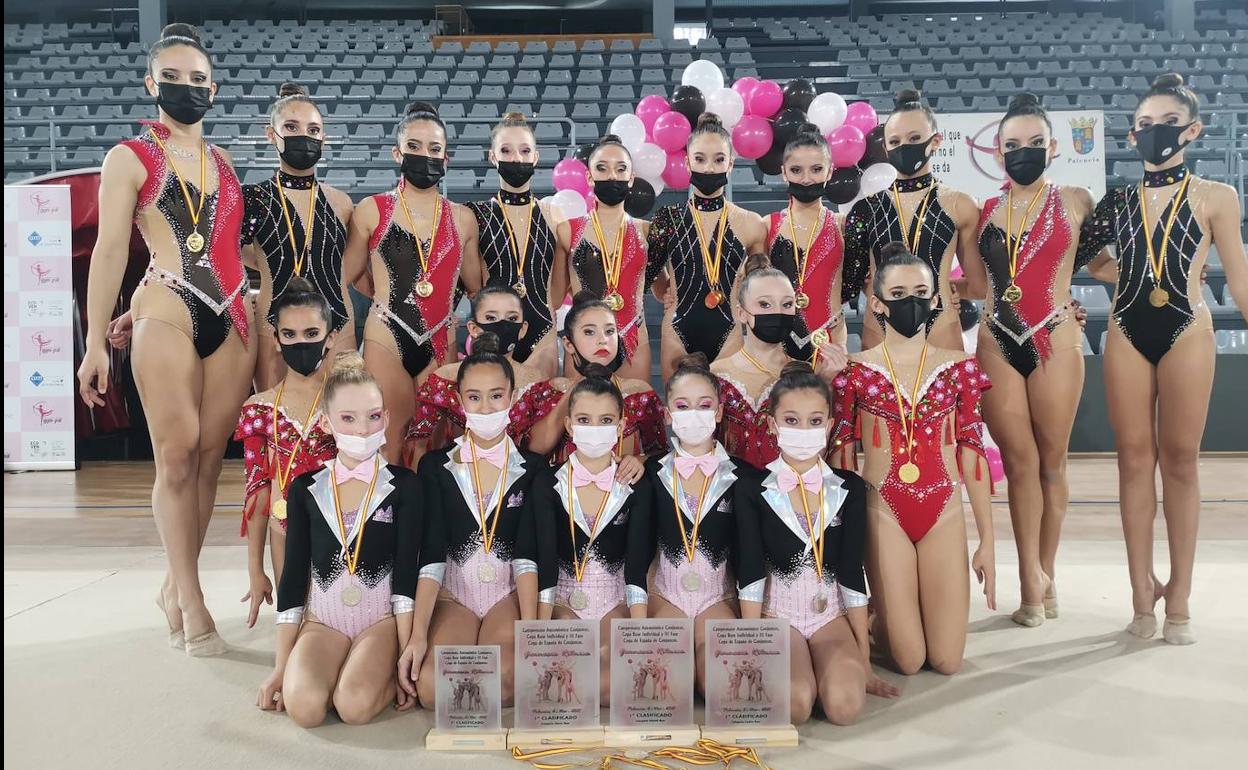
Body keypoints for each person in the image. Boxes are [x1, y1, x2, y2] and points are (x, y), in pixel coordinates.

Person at [77, 23, 253, 656]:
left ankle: (173, 585)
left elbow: (235, 248)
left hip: (232, 317)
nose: (187, 88)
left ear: (214, 88)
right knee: (176, 455)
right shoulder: (130, 155)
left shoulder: (225, 163)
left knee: (210, 459)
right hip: (167, 304)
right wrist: (97, 339)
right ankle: (194, 597)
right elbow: (110, 248)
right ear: (152, 84)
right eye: (173, 78)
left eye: (198, 79)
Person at [1076, 73, 1248, 644]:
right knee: (1132, 460)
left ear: (1192, 130)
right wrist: (1121, 274)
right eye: (1145, 125)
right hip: (1126, 326)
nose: (1156, 133)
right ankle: (1139, 595)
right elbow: (1081, 257)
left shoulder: (1217, 197)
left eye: (1168, 124)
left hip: (1186, 327)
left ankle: (1181, 597)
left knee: (1180, 460)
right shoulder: (1117, 199)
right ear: (1132, 135)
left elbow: (1241, 282)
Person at [958, 93, 1105, 626]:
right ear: (998, 153)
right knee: (1018, 464)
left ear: (1053, 147)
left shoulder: (1077, 199)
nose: (1024, 152)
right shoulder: (984, 211)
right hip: (998, 339)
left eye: (1034, 144)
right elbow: (973, 284)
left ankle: (1047, 573)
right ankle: (1027, 584)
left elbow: (1110, 266)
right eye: (1014, 145)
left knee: (1051, 463)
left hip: (1056, 336)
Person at [831, 244, 996, 674]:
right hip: (883, 510)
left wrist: (988, 541)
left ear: (937, 299)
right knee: (909, 660)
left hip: (943, 508)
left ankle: (899, 614)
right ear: (878, 304)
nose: (912, 302)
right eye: (899, 293)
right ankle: (878, 623)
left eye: (921, 292)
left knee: (946, 661)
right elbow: (843, 457)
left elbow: (972, 449)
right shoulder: (854, 371)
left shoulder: (960, 368)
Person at [256, 352, 425, 725]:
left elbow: (405, 578)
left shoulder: (405, 486)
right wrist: (280, 666)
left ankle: (363, 676)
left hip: (379, 620)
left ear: (387, 417)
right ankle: (333, 671)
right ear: (326, 423)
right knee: (304, 709)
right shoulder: (305, 489)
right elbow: (294, 575)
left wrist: (401, 660)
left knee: (353, 707)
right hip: (324, 620)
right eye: (348, 419)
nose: (363, 430)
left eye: (373, 417)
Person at [735, 362, 898, 725]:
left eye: (814, 421)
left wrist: (864, 660)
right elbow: (749, 570)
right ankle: (804, 675)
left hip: (830, 615)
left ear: (828, 425)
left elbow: (852, 572)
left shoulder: (849, 488)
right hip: (778, 616)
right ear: (774, 425)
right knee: (794, 705)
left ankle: (832, 672)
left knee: (844, 708)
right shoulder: (751, 488)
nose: (803, 430)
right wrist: (753, 646)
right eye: (791, 421)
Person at [408, 333, 549, 707]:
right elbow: (432, 553)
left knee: (507, 677)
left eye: (496, 396)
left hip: (506, 594)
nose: (486, 407)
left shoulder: (533, 469)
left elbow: (528, 553)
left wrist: (531, 630)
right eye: (474, 397)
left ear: (512, 397)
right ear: (459, 401)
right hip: (455, 594)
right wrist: (418, 635)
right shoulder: (436, 467)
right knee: (431, 689)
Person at [341, 100, 481, 463]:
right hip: (387, 333)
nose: (425, 155)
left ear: (446, 158)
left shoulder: (463, 219)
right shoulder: (372, 209)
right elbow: (348, 273)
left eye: (435, 149)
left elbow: (475, 285)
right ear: (397, 153)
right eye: (415, 147)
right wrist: (379, 296)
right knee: (389, 437)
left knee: (434, 442)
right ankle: (390, 517)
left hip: (440, 335)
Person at [626, 354, 759, 695]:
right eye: (683, 406)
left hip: (717, 599)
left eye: (704, 405)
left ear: (718, 412)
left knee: (723, 689)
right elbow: (637, 555)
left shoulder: (745, 478)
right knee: (662, 690)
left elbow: (750, 558)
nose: (694, 415)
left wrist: (751, 634)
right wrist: (640, 633)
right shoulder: (650, 474)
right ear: (668, 415)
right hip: (665, 597)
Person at [528, 372, 649, 702]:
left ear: (621, 426)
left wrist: (639, 640)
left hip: (614, 604)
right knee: (557, 678)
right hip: (563, 604)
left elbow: (637, 569)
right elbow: (545, 562)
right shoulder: (546, 483)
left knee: (621, 680)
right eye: (584, 419)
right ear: (568, 425)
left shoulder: (637, 484)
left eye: (606, 420)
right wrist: (539, 634)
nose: (595, 428)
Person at [843, 88, 982, 351]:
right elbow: (852, 282)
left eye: (915, 137)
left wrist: (945, 288)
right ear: (884, 148)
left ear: (936, 140)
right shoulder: (865, 209)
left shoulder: (961, 205)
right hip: (880, 336)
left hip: (940, 331)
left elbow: (979, 286)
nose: (905, 146)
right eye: (895, 142)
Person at [235, 278, 338, 627]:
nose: (301, 343)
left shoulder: (348, 401)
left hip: (343, 528)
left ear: (331, 336)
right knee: (297, 627)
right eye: (290, 335)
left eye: (312, 334)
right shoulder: (258, 409)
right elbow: (257, 492)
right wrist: (254, 571)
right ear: (277, 340)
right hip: (286, 529)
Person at [241, 82, 355, 391]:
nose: (303, 135)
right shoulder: (253, 197)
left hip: (337, 321)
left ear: (323, 138)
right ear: (271, 134)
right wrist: (267, 262)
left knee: (339, 422)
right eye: (291, 127)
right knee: (276, 421)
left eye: (313, 129)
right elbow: (227, 256)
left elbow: (348, 264)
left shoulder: (341, 202)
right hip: (273, 324)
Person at [647, 113, 768, 378]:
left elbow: (760, 284)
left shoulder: (751, 223)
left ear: (731, 164)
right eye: (700, 159)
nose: (710, 169)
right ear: (688, 163)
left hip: (729, 330)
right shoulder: (667, 218)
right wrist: (664, 292)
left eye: (719, 160)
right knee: (681, 415)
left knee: (727, 414)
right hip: (677, 329)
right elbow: (651, 272)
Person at [711, 256, 847, 469]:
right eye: (765, 304)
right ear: (741, 313)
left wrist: (824, 384)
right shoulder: (715, 375)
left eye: (787, 304)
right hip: (729, 492)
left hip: (787, 493)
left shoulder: (806, 376)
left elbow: (817, 454)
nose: (777, 312)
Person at [405, 283, 561, 467]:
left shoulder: (537, 380)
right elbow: (419, 443)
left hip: (517, 474)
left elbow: (543, 446)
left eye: (512, 318)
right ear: (473, 328)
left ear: (523, 329)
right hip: (461, 473)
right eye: (491, 317)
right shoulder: (447, 378)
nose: (502, 325)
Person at [467, 113, 562, 377]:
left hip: (541, 327)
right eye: (506, 151)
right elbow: (473, 285)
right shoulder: (475, 215)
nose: (516, 159)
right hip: (491, 329)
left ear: (536, 156)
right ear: (492, 156)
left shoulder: (554, 214)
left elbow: (557, 287)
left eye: (524, 150)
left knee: (541, 412)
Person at [526, 292, 667, 469]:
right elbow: (534, 450)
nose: (602, 340)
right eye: (589, 332)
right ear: (568, 344)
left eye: (609, 331)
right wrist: (576, 388)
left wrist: (640, 460)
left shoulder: (639, 393)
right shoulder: (549, 392)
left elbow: (660, 454)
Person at [555, 134, 652, 381]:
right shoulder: (568, 230)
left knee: (633, 414)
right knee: (581, 415)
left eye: (620, 170)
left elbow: (662, 290)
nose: (612, 176)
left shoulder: (646, 230)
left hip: (633, 338)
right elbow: (554, 297)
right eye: (602, 168)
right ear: (589, 177)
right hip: (583, 342)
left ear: (631, 179)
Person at [765, 128, 848, 360]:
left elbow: (870, 284)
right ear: (783, 173)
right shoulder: (766, 226)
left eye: (816, 169)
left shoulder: (843, 226)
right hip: (777, 345)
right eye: (796, 170)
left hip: (830, 341)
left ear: (830, 171)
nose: (806, 179)